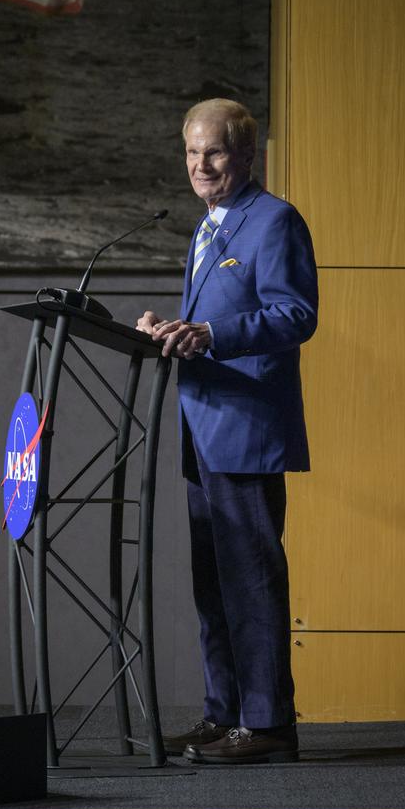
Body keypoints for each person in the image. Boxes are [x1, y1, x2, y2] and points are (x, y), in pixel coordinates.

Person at [137, 98, 317, 764]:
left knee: (251, 578)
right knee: (213, 581)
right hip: (201, 429)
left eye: (213, 151)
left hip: (246, 431)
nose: (200, 164)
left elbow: (296, 314)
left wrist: (211, 334)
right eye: (191, 152)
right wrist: (168, 331)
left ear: (247, 155)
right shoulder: (206, 227)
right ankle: (224, 715)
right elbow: (208, 323)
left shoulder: (274, 220)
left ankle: (268, 725)